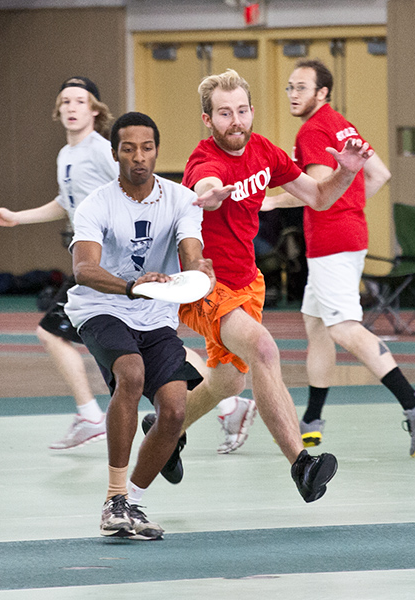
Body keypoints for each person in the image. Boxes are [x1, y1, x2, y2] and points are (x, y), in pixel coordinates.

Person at [177, 69, 374, 503]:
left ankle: (166, 427)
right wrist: (211, 192)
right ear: (208, 120)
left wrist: (346, 171)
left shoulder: (264, 150)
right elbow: (206, 180)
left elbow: (319, 197)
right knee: (265, 349)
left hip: (247, 283)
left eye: (243, 111)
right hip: (206, 285)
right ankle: (302, 465)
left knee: (228, 384)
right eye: (225, 114)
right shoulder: (202, 161)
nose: (237, 121)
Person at [263, 60, 415, 457]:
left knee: (343, 328)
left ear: (322, 92)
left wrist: (271, 203)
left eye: (302, 87)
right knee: (317, 326)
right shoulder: (342, 124)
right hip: (348, 235)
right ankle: (313, 419)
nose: (293, 93)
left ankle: (412, 401)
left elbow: (316, 189)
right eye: (290, 87)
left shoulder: (313, 130)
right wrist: (350, 204)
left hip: (332, 243)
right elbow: (378, 175)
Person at [64, 111, 211, 540]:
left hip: (156, 314)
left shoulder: (180, 199)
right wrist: (132, 287)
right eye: (128, 149)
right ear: (115, 154)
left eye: (146, 148)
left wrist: (200, 271)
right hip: (101, 307)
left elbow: (191, 251)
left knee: (175, 409)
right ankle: (113, 499)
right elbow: (83, 269)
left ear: (157, 151)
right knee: (130, 373)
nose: (138, 157)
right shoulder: (98, 204)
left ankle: (133, 500)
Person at [0, 76, 115, 450]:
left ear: (94, 110)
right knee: (138, 344)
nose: (72, 107)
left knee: (52, 332)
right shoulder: (66, 155)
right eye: (66, 102)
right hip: (87, 260)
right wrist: (15, 217)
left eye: (80, 101)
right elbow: (65, 203)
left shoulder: (103, 150)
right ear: (59, 111)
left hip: (107, 260)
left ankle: (90, 416)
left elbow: (136, 187)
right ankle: (228, 402)